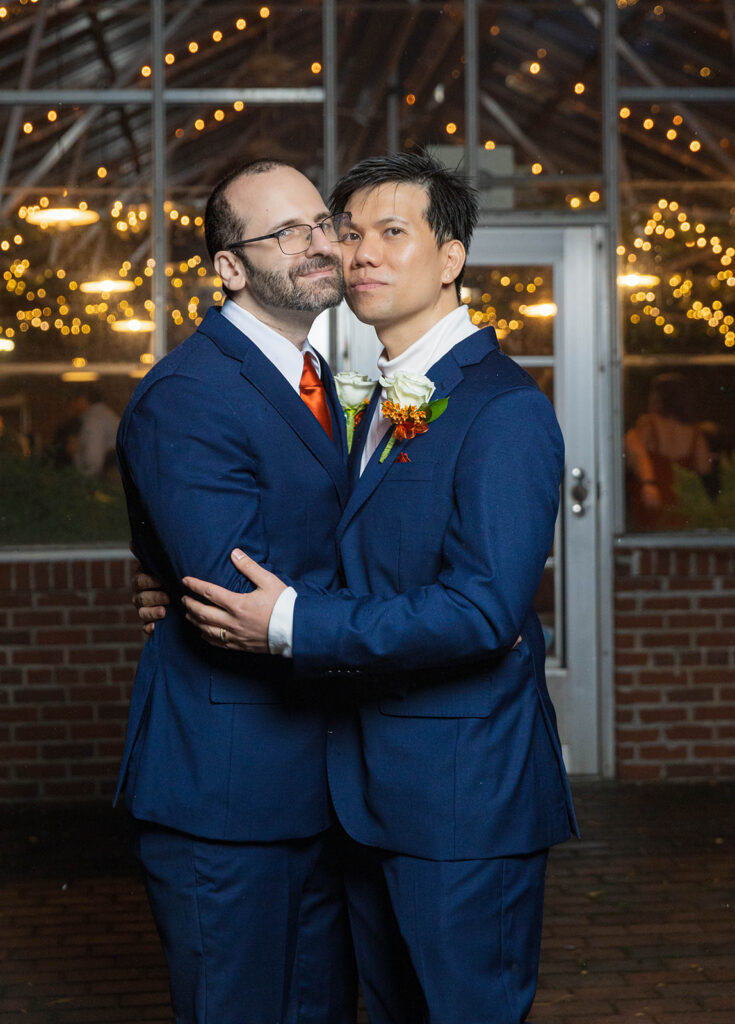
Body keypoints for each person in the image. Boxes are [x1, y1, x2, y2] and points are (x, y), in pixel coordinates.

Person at [140, 152, 578, 1024]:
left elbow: (483, 608)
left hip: (460, 795)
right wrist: (177, 574)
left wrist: (290, 619)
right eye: (346, 232)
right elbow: (343, 540)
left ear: (450, 258)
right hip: (364, 794)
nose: (353, 252)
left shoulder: (502, 408)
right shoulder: (376, 397)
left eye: (389, 233)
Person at [115, 158, 357, 1024]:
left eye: (322, 222)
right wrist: (437, 611)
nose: (318, 243)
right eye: (286, 232)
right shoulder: (190, 394)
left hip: (319, 779)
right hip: (228, 789)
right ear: (228, 267)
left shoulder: (318, 376)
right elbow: (231, 594)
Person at [625, 371, 712, 529]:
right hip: (682, 504)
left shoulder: (648, 424)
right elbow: (705, 468)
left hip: (653, 501)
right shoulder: (695, 433)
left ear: (659, 397)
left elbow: (635, 456)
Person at [72, 386, 119, 476]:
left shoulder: (94, 419)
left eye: (75, 400)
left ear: (83, 399)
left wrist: (87, 477)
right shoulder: (104, 414)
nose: (74, 405)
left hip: (111, 473)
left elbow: (94, 455)